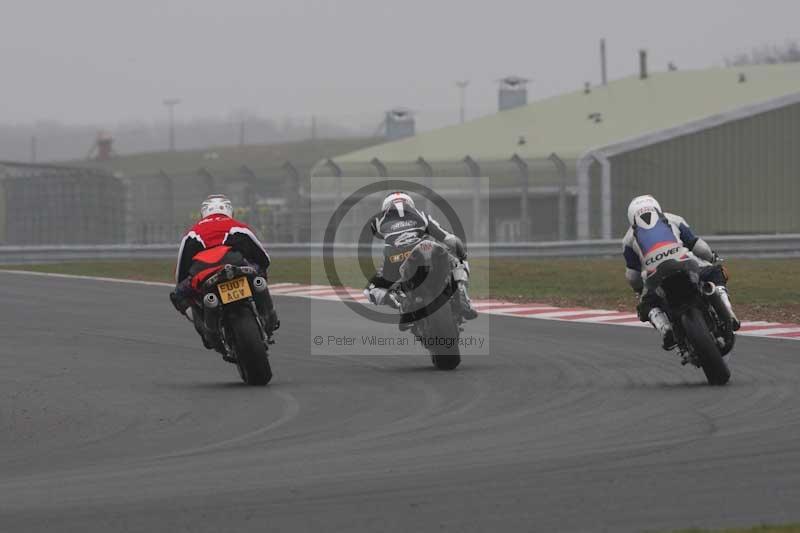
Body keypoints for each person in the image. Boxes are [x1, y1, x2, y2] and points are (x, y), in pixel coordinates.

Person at [623, 194, 740, 350]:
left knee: (646, 305)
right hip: (685, 264)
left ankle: (665, 329)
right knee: (716, 273)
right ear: (657, 208)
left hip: (655, 277)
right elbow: (699, 247)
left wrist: (639, 290)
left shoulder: (628, 239)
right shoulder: (673, 219)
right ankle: (728, 311)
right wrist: (712, 257)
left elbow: (632, 276)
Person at [169, 194, 278, 349]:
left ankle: (206, 330)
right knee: (258, 274)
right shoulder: (239, 226)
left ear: (203, 213)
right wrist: (259, 272)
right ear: (229, 211)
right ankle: (268, 313)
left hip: (206, 275)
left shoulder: (192, 233)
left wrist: (186, 287)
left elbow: (181, 272)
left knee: (178, 295)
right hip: (238, 267)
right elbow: (264, 258)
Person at [364, 192, 478, 329]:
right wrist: (462, 254)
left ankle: (400, 303)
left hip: (395, 259)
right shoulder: (421, 215)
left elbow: (378, 234)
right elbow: (449, 239)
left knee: (370, 290)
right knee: (458, 261)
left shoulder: (377, 220)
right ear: (410, 203)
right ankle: (461, 291)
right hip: (427, 250)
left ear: (385, 206)